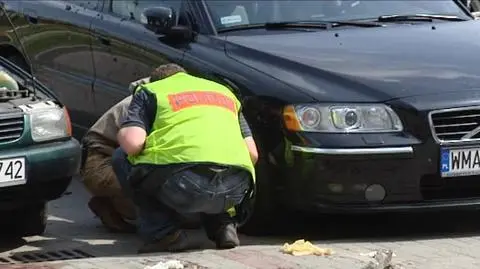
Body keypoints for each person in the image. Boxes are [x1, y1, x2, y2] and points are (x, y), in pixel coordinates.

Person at [112, 63, 258, 254]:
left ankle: (164, 234)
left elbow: (133, 144)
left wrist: (122, 133)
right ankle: (223, 226)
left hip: (184, 185)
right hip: (235, 189)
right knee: (219, 161)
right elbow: (252, 154)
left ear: (158, 81)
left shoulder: (151, 91)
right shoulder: (225, 93)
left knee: (121, 157)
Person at [80, 76, 148, 233]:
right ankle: (111, 205)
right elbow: (140, 146)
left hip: (112, 153)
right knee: (151, 186)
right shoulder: (140, 104)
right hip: (99, 160)